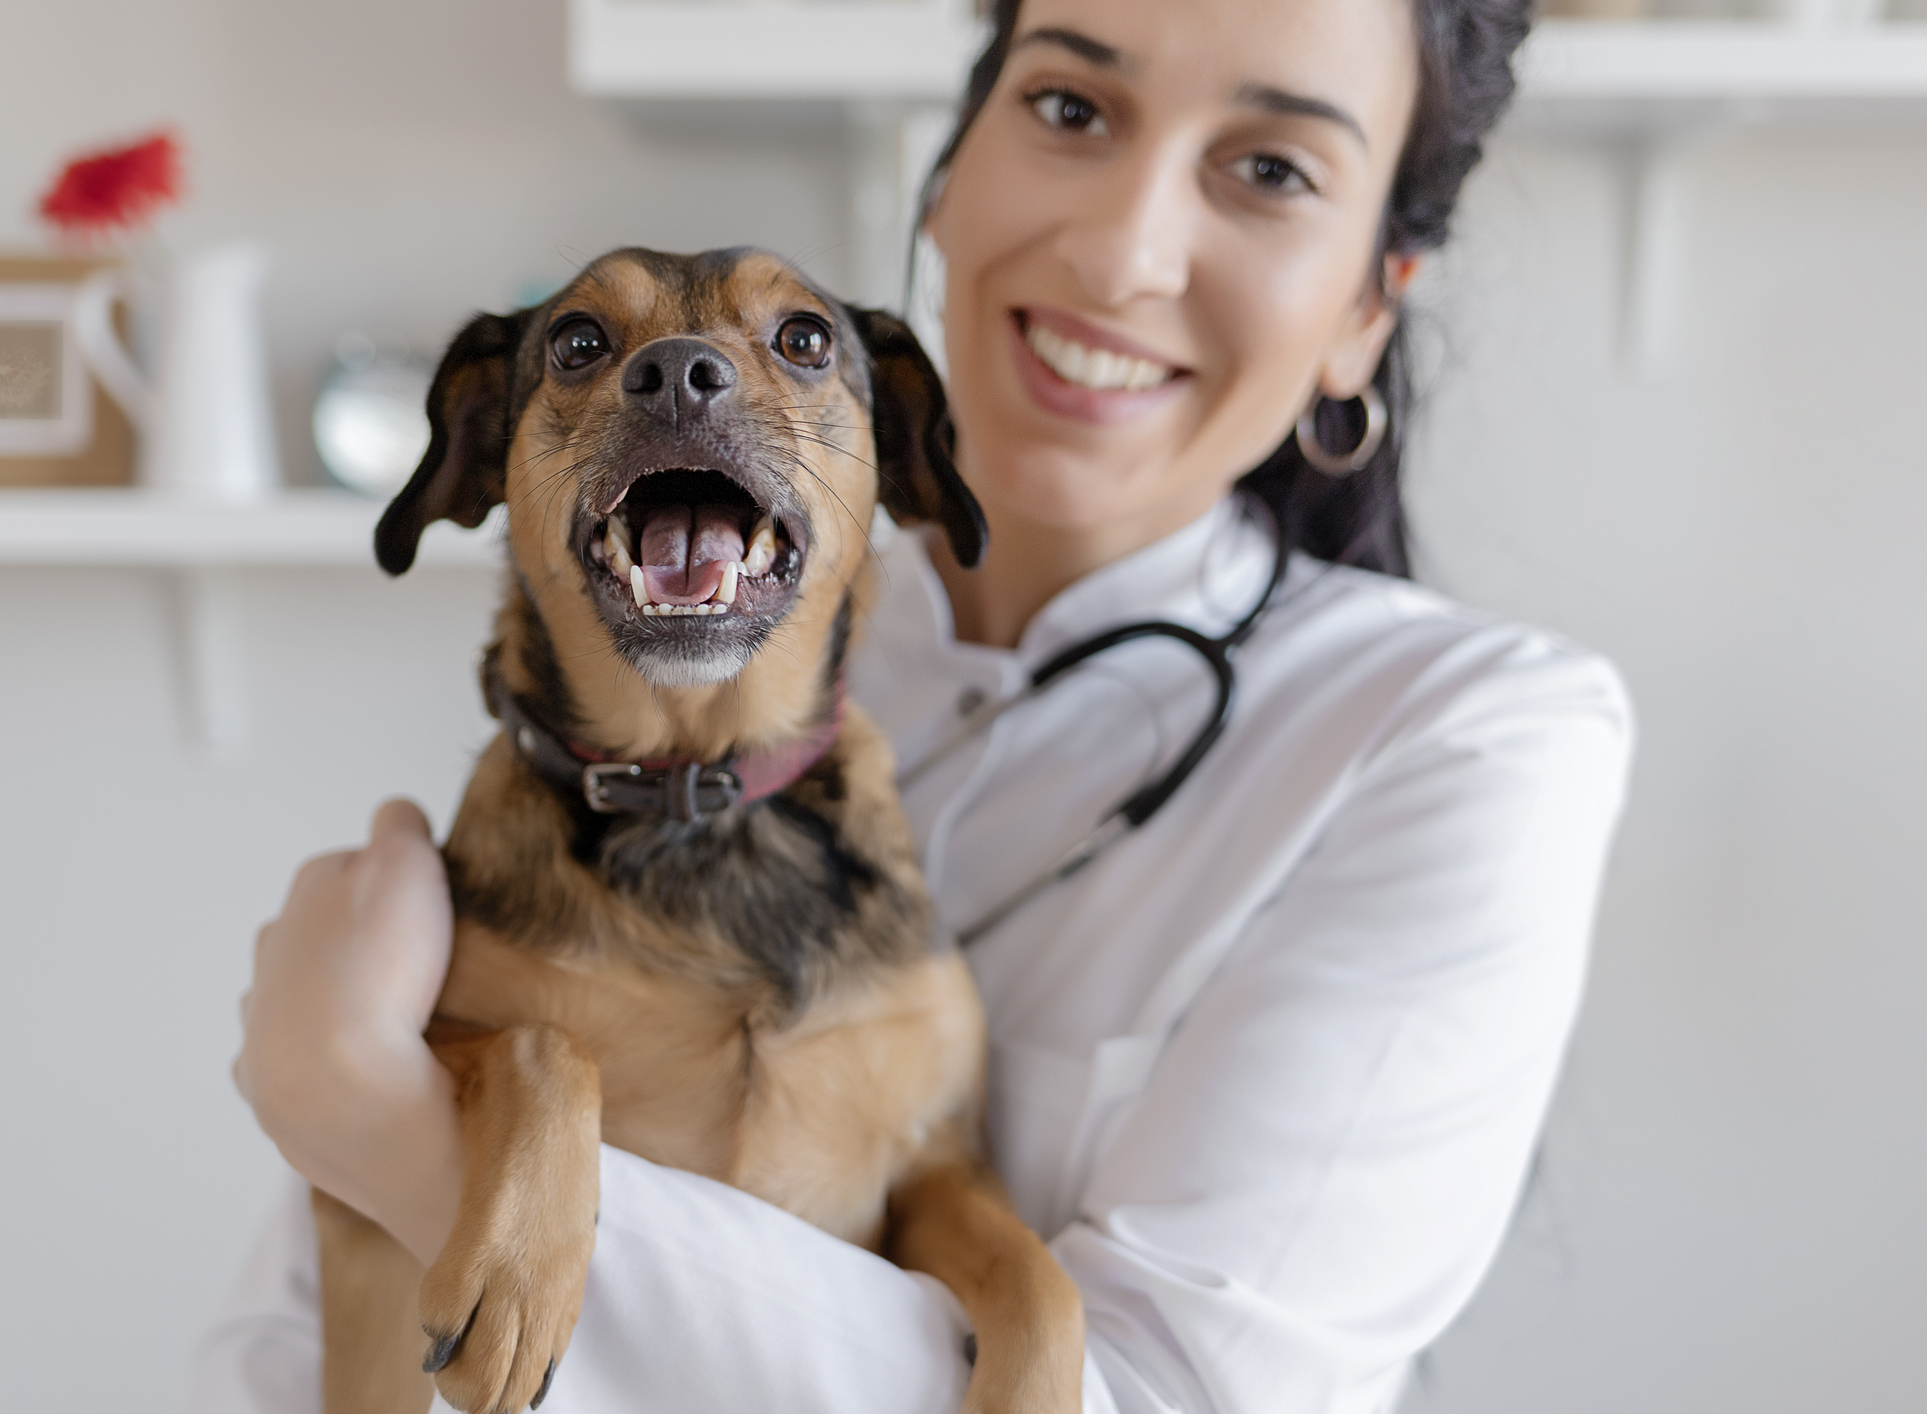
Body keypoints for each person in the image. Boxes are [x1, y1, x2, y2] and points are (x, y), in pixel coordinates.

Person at [200, 0, 1632, 1409]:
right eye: (1070, 107)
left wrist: (384, 1121)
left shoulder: (1474, 733)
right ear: (946, 182)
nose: (1121, 249)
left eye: (1271, 169)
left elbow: (1147, 1397)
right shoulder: (658, 665)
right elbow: (291, 1346)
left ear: (1366, 306)